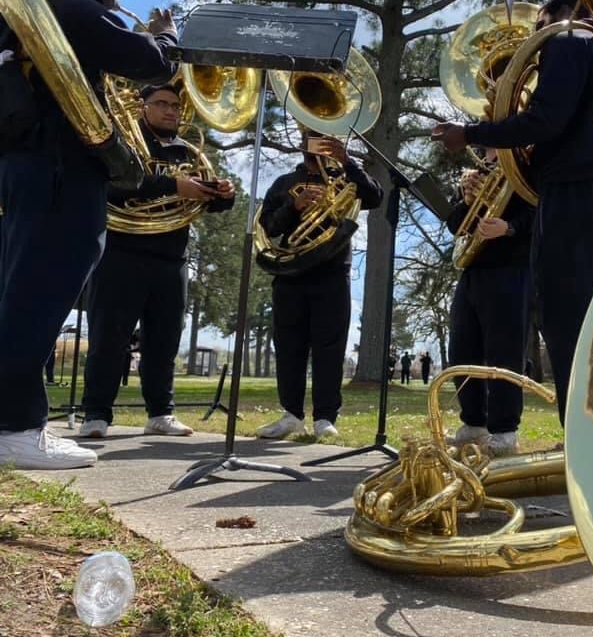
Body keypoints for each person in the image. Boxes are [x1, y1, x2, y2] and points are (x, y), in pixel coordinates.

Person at [432, 0, 593, 423]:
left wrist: (470, 135)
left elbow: (544, 121)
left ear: (552, 17)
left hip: (570, 195)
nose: (536, 37)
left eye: (538, 26)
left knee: (564, 315)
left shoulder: (566, 41)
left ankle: (577, 432)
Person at [0, 0, 178, 470]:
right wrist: (165, 35)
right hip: (62, 167)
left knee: (24, 290)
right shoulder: (65, 5)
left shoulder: (31, 8)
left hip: (34, 166)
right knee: (40, 292)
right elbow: (150, 61)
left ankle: (20, 421)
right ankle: (13, 427)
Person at [79, 83, 235, 439]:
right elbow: (113, 186)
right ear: (142, 107)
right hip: (122, 252)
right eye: (161, 104)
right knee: (109, 337)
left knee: (164, 340)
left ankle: (160, 413)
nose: (170, 111)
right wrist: (171, 187)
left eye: (176, 106)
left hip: (171, 256)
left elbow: (201, 201)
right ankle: (96, 414)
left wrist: (222, 194)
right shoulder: (123, 144)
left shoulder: (186, 150)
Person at [255, 130, 383, 440]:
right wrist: (294, 206)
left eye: (325, 137)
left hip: (332, 270)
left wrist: (347, 160)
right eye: (312, 138)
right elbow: (268, 227)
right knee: (288, 346)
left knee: (330, 347)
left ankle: (325, 417)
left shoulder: (347, 178)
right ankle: (291, 414)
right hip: (290, 271)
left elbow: (375, 197)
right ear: (302, 144)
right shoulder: (284, 183)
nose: (318, 144)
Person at [445, 150, 534, 456]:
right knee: (460, 350)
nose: (487, 151)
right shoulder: (478, 174)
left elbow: (541, 212)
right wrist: (468, 200)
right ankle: (473, 423)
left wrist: (508, 228)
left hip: (511, 269)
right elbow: (456, 225)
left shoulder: (526, 168)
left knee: (504, 354)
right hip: (473, 270)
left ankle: (505, 431)